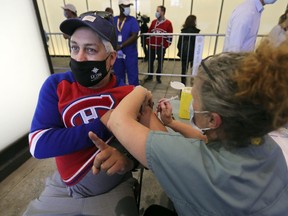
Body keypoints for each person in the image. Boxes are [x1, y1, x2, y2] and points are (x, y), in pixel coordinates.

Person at [90, 39, 288, 215]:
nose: (192, 101)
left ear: (213, 120)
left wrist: (139, 89)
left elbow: (118, 121)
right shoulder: (263, 142)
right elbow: (201, 143)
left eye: (195, 97)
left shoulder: (205, 169)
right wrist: (171, 124)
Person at [23, 12, 140, 216]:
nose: (79, 58)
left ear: (111, 58)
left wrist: (128, 162)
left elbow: (145, 152)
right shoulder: (57, 86)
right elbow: (39, 144)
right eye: (75, 47)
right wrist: (105, 123)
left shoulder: (129, 95)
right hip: (63, 187)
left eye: (90, 50)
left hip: (111, 188)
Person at [113, 0, 140, 86]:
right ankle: (121, 94)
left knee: (133, 76)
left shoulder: (132, 20)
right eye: (126, 6)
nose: (128, 8)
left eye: (129, 6)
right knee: (118, 76)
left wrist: (121, 46)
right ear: (120, 7)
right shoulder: (113, 20)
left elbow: (134, 35)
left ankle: (135, 95)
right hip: (117, 54)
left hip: (130, 53)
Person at [145, 5, 173, 84]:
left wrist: (165, 45)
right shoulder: (154, 22)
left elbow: (170, 36)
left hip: (161, 47)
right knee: (150, 61)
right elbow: (149, 33)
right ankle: (150, 76)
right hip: (151, 46)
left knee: (160, 62)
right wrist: (148, 42)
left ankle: (158, 77)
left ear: (163, 12)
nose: (156, 12)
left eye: (158, 11)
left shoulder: (168, 23)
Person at [177, 15, 200, 85]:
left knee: (184, 71)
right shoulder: (196, 32)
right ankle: (192, 85)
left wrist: (181, 51)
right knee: (194, 71)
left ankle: (183, 85)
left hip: (184, 54)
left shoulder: (183, 31)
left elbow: (179, 44)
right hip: (193, 54)